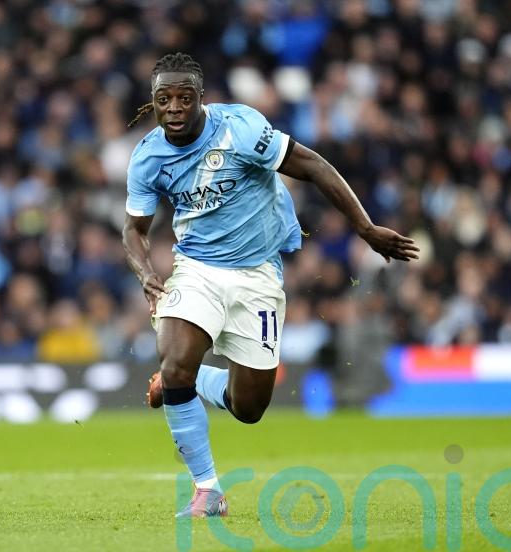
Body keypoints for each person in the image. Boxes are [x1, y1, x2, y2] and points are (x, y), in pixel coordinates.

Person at [122, 53, 419, 518]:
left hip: (258, 274)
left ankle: (192, 380)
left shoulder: (241, 130)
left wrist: (365, 228)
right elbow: (134, 230)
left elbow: (314, 165)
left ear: (202, 98)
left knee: (249, 407)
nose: (175, 108)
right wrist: (146, 274)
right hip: (196, 269)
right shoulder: (148, 157)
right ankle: (208, 490)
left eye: (184, 97)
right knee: (176, 357)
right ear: (154, 104)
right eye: (164, 99)